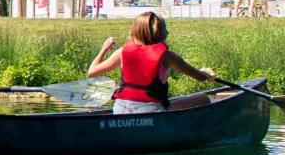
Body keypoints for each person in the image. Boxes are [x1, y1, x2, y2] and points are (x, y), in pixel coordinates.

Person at [88, 10, 218, 114]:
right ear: (162, 33)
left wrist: (104, 49)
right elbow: (200, 77)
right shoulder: (168, 56)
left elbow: (92, 72)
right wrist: (206, 74)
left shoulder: (122, 52)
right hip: (151, 111)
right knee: (203, 98)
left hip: (120, 111)